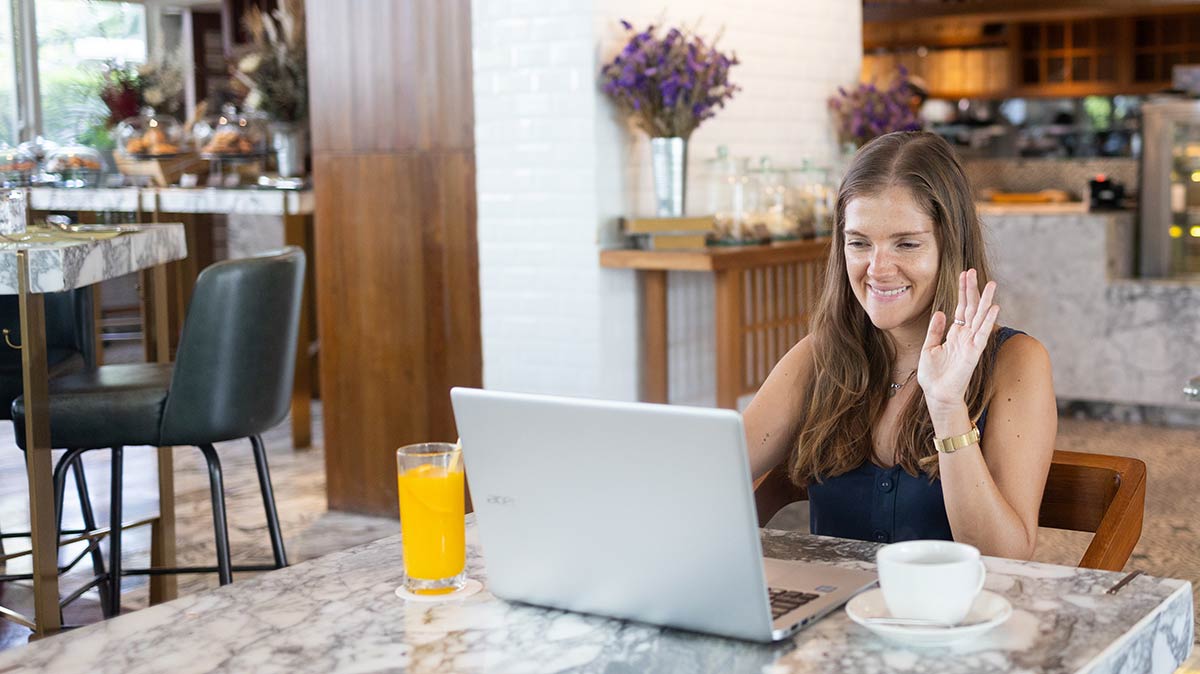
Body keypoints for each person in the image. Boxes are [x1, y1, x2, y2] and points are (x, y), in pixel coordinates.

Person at [743, 131, 1057, 560]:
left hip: (956, 620)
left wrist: (947, 407)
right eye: (859, 242)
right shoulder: (820, 355)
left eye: (906, 243)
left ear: (951, 246)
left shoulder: (1017, 363)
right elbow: (718, 470)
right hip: (833, 620)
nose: (878, 269)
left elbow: (1005, 557)